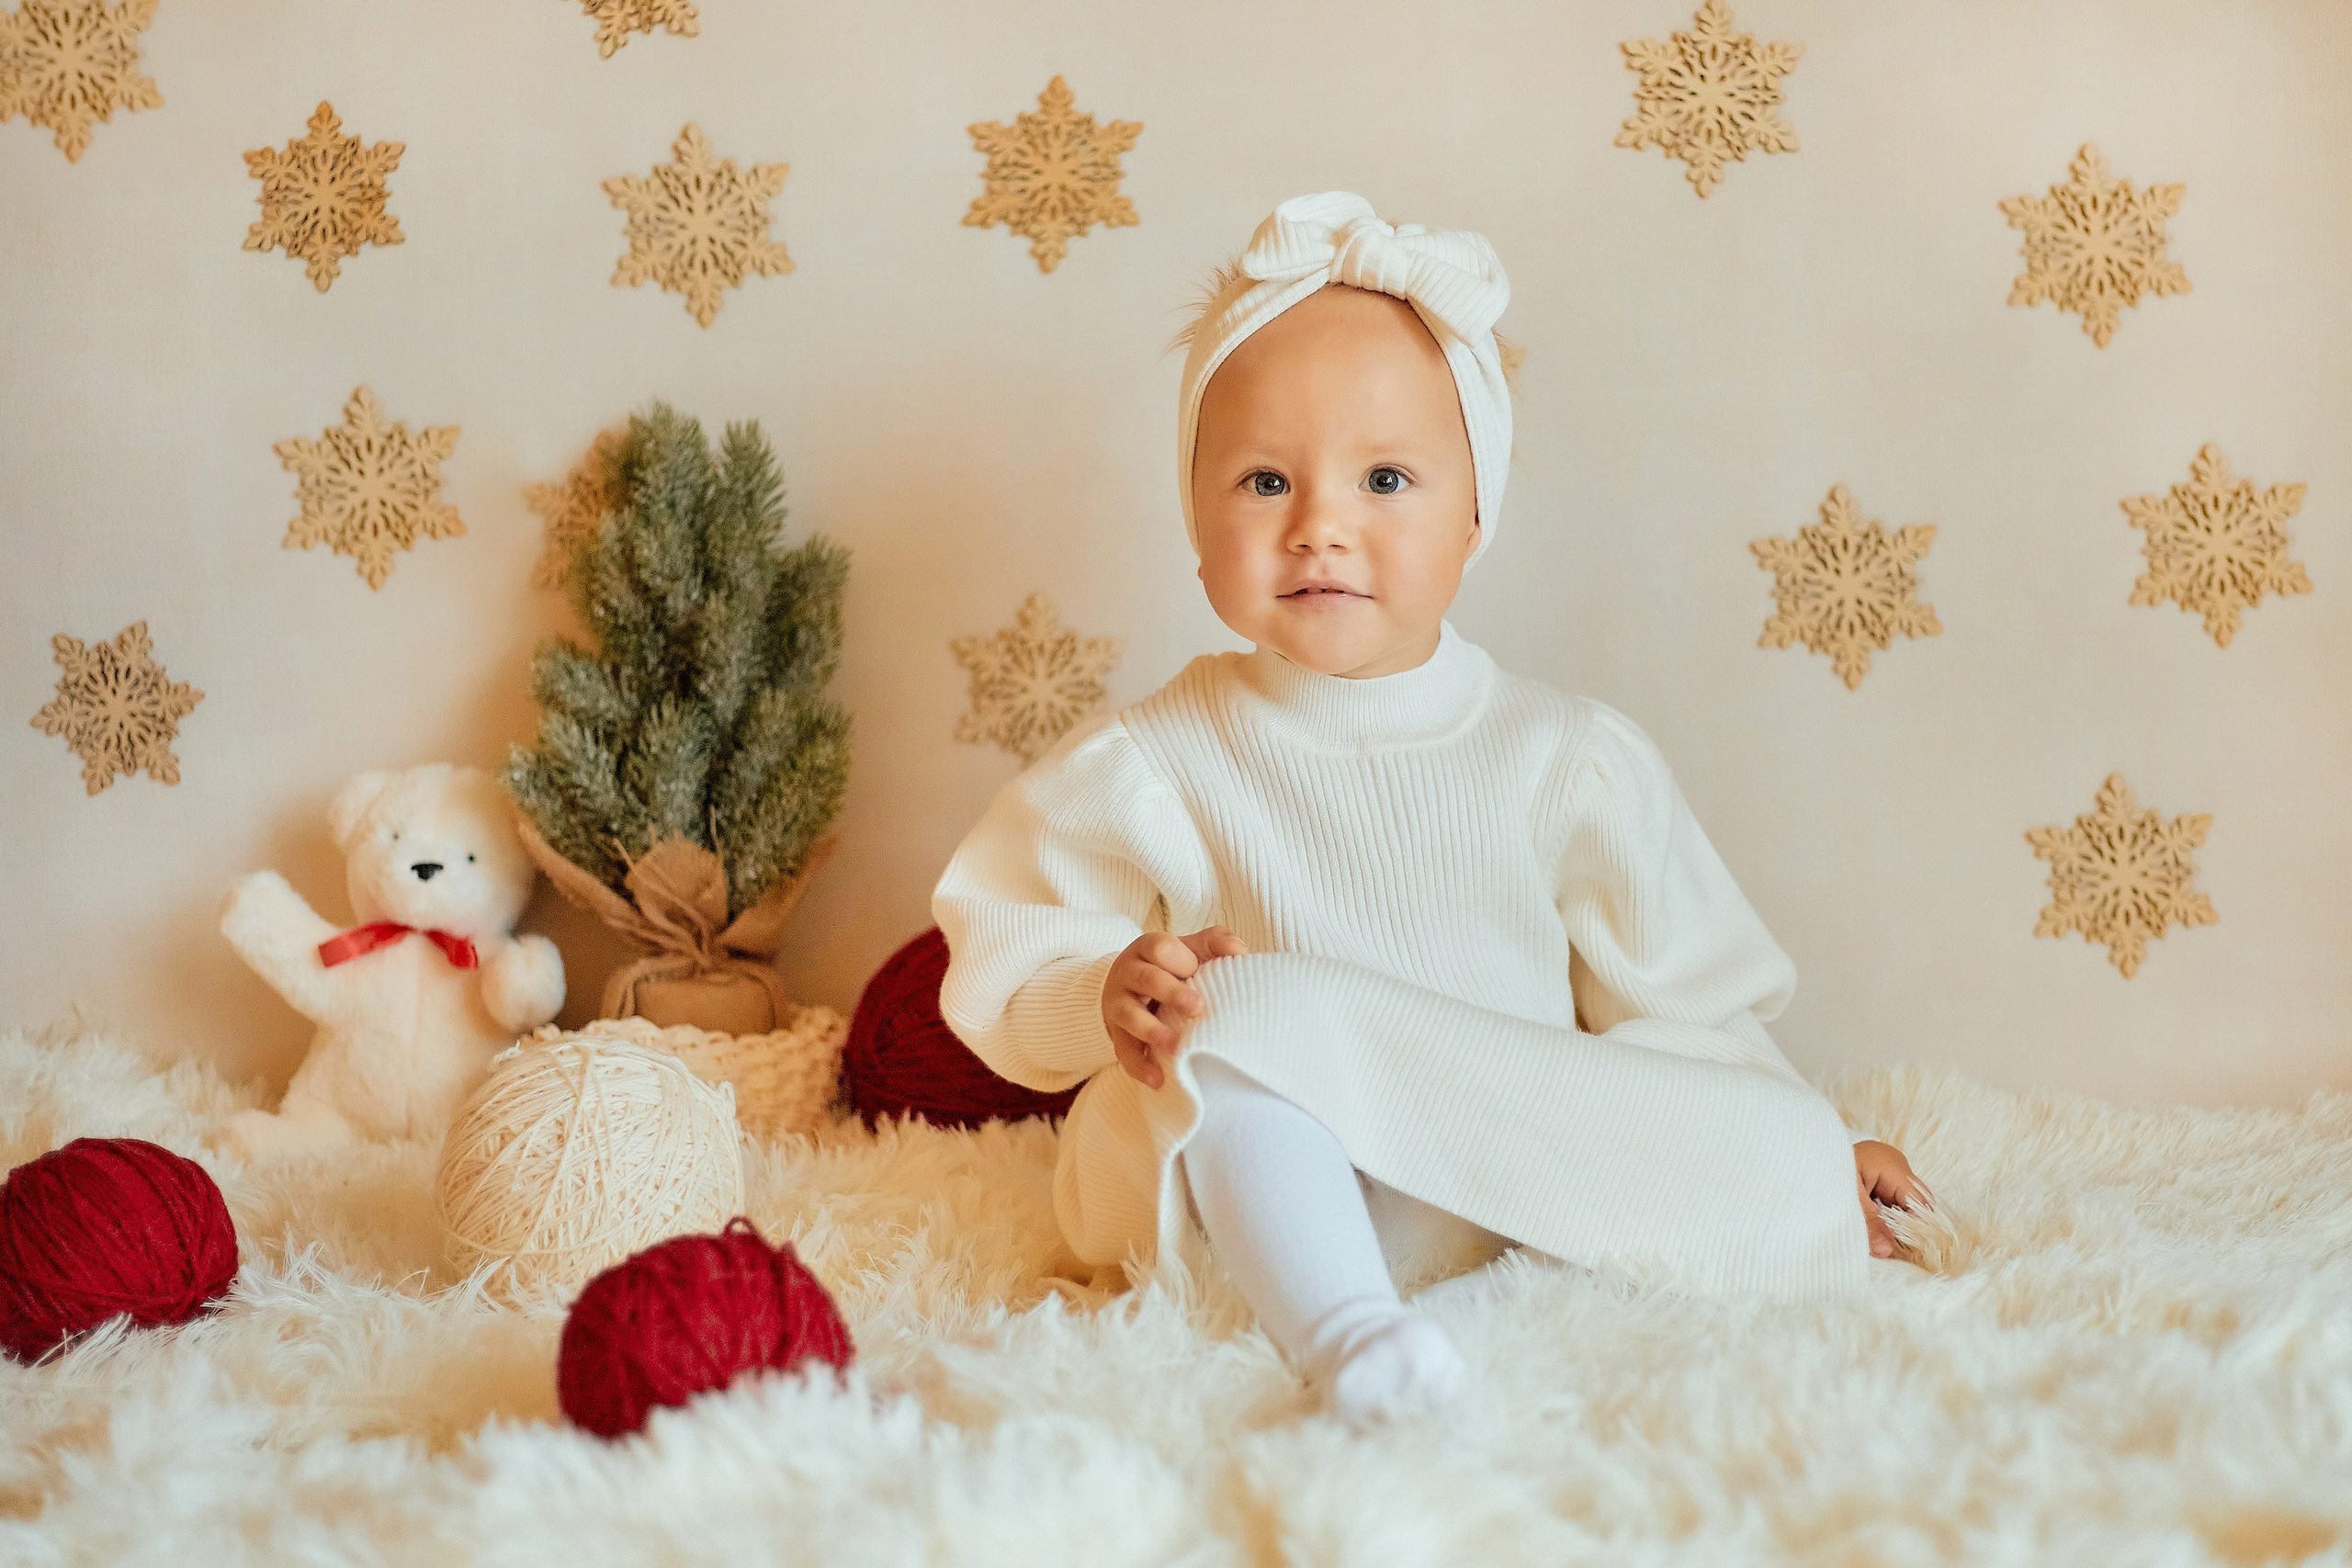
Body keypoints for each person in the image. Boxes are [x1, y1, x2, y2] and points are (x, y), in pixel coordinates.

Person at [932, 190, 1932, 1427]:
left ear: (1475, 518)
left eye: (1385, 478)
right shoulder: (1157, 758)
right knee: (1236, 1011)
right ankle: (1353, 1339)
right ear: (1195, 527)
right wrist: (1109, 992)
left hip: (1497, 1169)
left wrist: (1802, 1143)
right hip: (1261, 1184)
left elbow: (1689, 997)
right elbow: (1004, 939)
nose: (1320, 527)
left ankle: (1754, 1188)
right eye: (1263, 481)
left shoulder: (1565, 758)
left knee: (1719, 1113)